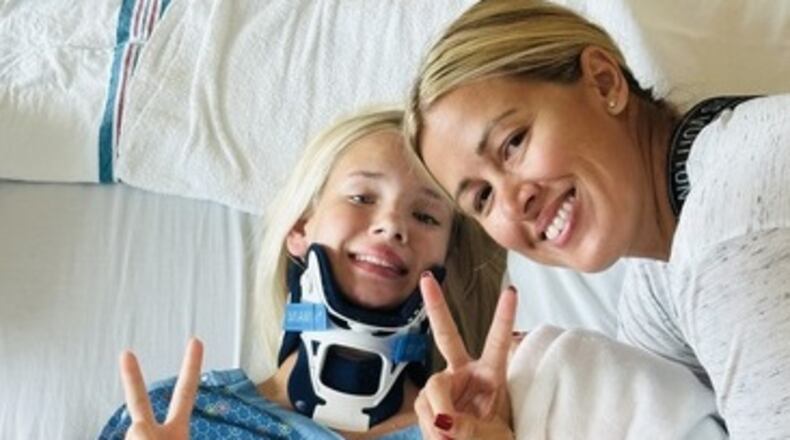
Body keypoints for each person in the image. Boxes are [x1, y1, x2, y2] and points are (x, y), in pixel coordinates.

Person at [405, 0, 790, 438]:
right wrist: (519, 416)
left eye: (513, 143)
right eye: (484, 197)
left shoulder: (730, 238)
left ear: (604, 81)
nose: (515, 203)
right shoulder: (657, 280)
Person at [98, 108, 505, 439]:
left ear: (447, 259)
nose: (392, 225)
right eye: (362, 197)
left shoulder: (481, 427)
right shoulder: (176, 420)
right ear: (299, 226)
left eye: (425, 215)